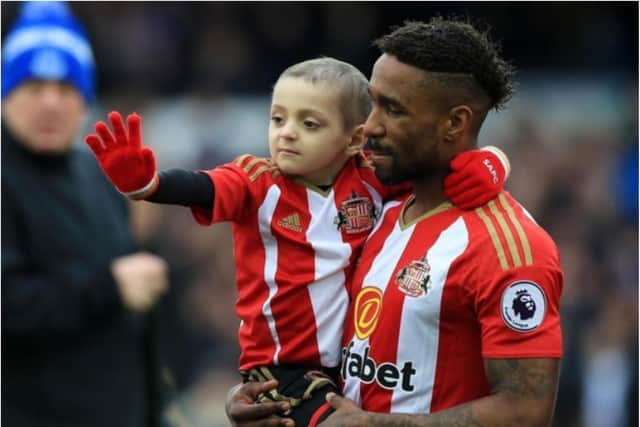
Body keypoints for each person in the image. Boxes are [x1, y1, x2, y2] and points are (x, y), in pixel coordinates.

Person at [85, 56, 510, 426]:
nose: (287, 133)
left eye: (309, 123)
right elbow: (203, 187)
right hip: (281, 368)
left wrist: (493, 161)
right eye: (278, 118)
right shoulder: (258, 181)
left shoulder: (369, 178)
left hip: (352, 362)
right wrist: (150, 183)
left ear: (354, 138)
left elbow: (439, 170)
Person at [226, 17, 563, 427]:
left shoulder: (508, 246)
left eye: (393, 109)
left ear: (454, 122)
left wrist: (370, 425)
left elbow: (526, 413)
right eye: (372, 103)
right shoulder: (377, 213)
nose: (369, 126)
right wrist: (272, 396)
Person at [1, 3, 169, 427]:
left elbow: (132, 320)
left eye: (65, 88)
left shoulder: (94, 174)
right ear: (6, 94)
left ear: (84, 98)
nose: (51, 103)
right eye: (34, 87)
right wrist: (108, 289)